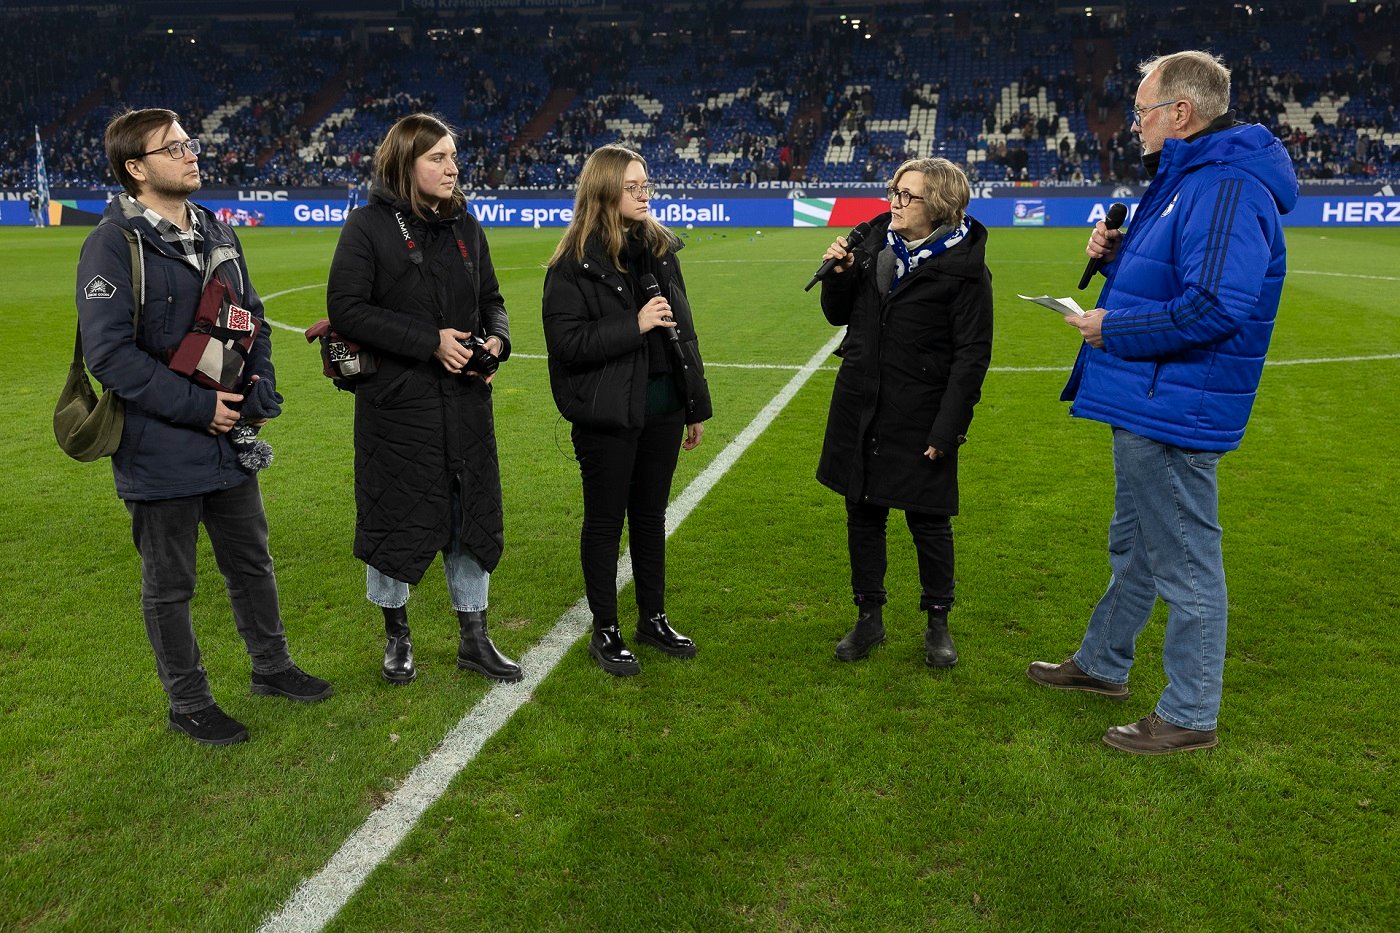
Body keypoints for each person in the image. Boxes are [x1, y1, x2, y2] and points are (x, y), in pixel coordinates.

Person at [1028, 51, 1297, 755]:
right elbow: (1180, 274)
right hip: (1155, 397)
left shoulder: (1227, 185)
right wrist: (1115, 259)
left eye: (1145, 111)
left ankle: (1189, 711)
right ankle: (1103, 662)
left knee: (1183, 558)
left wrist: (1109, 325)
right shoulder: (1195, 179)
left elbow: (1215, 304)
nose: (1135, 125)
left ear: (1181, 112)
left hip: (1177, 403)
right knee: (1138, 544)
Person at [75, 108, 331, 747]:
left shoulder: (217, 228)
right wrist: (198, 408)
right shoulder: (114, 243)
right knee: (171, 585)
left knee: (252, 564)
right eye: (174, 147)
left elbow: (253, 319)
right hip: (161, 444)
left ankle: (272, 669)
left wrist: (258, 390)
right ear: (137, 169)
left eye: (189, 142)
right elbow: (109, 356)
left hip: (227, 439)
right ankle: (187, 702)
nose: (191, 154)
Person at [326, 113, 520, 686]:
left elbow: (493, 299)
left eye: (453, 157)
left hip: (465, 404)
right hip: (397, 407)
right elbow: (348, 310)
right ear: (404, 162)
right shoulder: (367, 227)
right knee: (395, 518)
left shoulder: (468, 227)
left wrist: (498, 340)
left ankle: (474, 638)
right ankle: (397, 637)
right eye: (437, 157)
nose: (452, 168)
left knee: (469, 518)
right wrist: (429, 342)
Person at [814, 157, 993, 669]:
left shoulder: (966, 271)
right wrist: (841, 276)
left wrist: (948, 428)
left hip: (922, 413)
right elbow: (837, 315)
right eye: (893, 191)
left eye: (906, 195)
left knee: (929, 521)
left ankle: (937, 622)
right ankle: (868, 618)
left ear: (937, 206)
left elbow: (971, 358)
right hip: (861, 405)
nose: (893, 201)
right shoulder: (872, 248)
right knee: (862, 512)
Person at [542, 144, 713, 677]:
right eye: (633, 187)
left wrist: (694, 405)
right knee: (604, 522)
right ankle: (606, 629)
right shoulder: (571, 265)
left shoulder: (660, 249)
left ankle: (652, 618)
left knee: (649, 517)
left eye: (647, 186)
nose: (644, 195)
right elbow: (568, 345)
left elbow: (683, 332)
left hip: (662, 407)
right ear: (605, 191)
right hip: (608, 413)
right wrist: (634, 324)